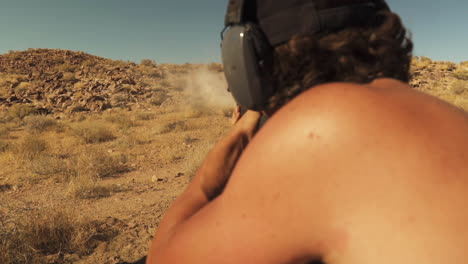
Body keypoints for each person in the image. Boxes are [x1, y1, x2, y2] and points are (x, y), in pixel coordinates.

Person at [147, 0, 468, 263]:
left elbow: (164, 258)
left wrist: (207, 181)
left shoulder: (322, 124)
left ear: (246, 62)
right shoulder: (437, 114)